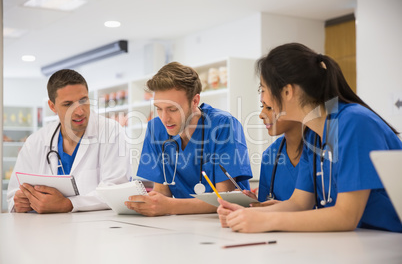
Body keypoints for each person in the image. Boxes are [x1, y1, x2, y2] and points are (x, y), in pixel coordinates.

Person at [217, 43, 402, 233]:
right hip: (363, 238)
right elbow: (299, 203)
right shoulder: (314, 134)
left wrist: (267, 222)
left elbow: (346, 216)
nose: (262, 99)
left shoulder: (353, 122)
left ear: (288, 92)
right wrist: (247, 214)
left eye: (263, 89)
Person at [125, 62, 252, 216]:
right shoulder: (155, 129)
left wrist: (170, 207)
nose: (165, 118)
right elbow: (162, 193)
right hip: (179, 223)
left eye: (173, 109)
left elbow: (225, 199)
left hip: (222, 222)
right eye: (159, 109)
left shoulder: (223, 125)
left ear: (195, 101)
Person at [7, 69, 130, 213]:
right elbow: (14, 194)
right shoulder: (35, 142)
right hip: (46, 230)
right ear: (52, 106)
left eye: (83, 100)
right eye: (68, 104)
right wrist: (20, 202)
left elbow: (115, 191)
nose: (79, 111)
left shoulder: (111, 132)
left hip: (97, 230)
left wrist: (68, 204)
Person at [245, 85, 303, 206]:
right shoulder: (270, 155)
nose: (261, 114)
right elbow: (265, 206)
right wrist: (255, 204)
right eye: (262, 106)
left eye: (269, 107)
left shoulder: (321, 149)